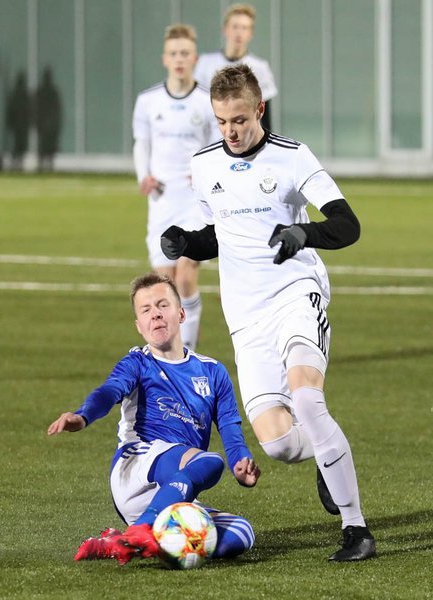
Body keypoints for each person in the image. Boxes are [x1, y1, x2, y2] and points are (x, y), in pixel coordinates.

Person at [160, 64, 376, 562]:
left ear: (259, 109)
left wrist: (304, 233)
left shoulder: (292, 156)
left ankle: (356, 528)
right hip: (245, 314)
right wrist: (186, 242)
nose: (230, 131)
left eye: (239, 119)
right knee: (278, 443)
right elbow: (222, 235)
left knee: (307, 400)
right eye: (221, 122)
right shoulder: (205, 165)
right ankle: (328, 453)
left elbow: (348, 225)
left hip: (295, 293)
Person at [47, 273, 260, 565]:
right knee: (210, 462)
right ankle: (142, 529)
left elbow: (229, 427)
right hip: (137, 468)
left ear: (181, 313)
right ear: (139, 325)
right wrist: (83, 416)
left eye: (162, 305)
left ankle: (123, 542)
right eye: (146, 310)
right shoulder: (137, 363)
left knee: (241, 533)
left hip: (174, 488)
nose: (155, 314)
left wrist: (240, 462)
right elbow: (109, 391)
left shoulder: (212, 372)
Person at [131, 24, 217, 350]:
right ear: (164, 59)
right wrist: (144, 175)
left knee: (185, 277)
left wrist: (205, 173)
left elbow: (216, 145)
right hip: (162, 200)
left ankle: (188, 351)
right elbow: (142, 143)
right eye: (173, 53)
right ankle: (172, 351)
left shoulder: (207, 101)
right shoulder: (148, 101)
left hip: (195, 201)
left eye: (185, 53)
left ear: (194, 58)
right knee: (165, 285)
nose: (179, 59)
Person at [194, 3, 278, 130]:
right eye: (235, 27)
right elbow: (196, 105)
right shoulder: (206, 63)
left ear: (251, 33)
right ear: (225, 30)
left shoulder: (260, 68)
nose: (239, 33)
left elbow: (264, 117)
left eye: (244, 28)